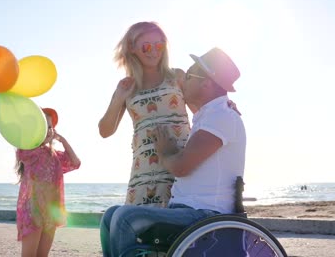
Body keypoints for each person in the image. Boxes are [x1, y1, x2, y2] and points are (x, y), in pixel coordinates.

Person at [100, 47, 246, 257]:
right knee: (110, 216)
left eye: (189, 76)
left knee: (124, 218)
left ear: (205, 84)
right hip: (188, 209)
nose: (183, 81)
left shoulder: (220, 116)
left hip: (205, 214)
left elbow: (181, 167)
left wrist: (165, 151)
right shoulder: (208, 116)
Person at [98, 21, 192, 207]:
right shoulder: (127, 86)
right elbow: (105, 131)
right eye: (147, 46)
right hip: (144, 173)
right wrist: (119, 98)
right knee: (140, 231)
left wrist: (223, 105)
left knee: (181, 230)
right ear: (132, 48)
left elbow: (203, 111)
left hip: (180, 164)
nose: (154, 51)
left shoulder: (177, 76)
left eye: (159, 45)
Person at [15, 107, 81, 257]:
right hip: (33, 210)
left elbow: (75, 162)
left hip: (51, 210)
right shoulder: (28, 151)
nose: (49, 130)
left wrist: (62, 140)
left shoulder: (54, 155)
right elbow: (21, 151)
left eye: (50, 127)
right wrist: (44, 138)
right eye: (44, 127)